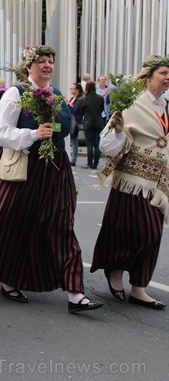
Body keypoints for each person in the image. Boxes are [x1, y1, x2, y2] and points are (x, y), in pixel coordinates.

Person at [0, 45, 103, 314]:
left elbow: (66, 126)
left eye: (51, 61)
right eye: (41, 61)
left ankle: (75, 293)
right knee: (14, 224)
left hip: (55, 168)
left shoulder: (58, 94)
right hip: (26, 166)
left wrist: (58, 131)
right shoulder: (16, 93)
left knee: (63, 225)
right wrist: (33, 135)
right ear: (29, 67)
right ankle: (8, 280)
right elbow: (3, 133)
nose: (47, 65)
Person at [91, 56, 169, 310]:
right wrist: (116, 130)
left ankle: (139, 287)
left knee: (154, 235)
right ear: (149, 76)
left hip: (158, 185)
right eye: (164, 73)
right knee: (140, 231)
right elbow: (106, 146)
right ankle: (114, 267)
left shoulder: (165, 105)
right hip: (132, 181)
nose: (168, 78)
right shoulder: (131, 102)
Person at [81, 81, 105, 170]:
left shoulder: (85, 99)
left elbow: (82, 111)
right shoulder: (100, 98)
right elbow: (102, 108)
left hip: (88, 122)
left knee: (89, 143)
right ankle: (96, 163)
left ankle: (89, 162)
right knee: (97, 143)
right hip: (99, 122)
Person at [67, 82, 84, 166]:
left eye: (72, 89)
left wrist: (67, 104)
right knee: (72, 140)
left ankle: (73, 159)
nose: (71, 90)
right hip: (72, 120)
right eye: (70, 89)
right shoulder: (72, 98)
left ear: (77, 90)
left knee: (74, 140)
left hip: (76, 121)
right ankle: (72, 158)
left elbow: (75, 110)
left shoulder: (80, 99)